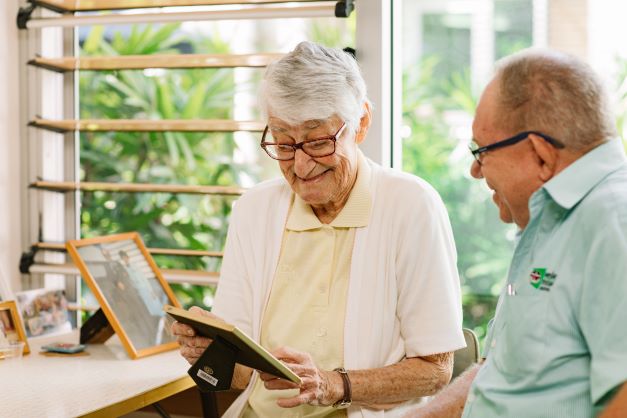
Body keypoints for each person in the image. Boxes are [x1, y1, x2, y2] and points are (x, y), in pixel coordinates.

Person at [171, 41, 466, 417]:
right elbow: (241, 375)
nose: (302, 165)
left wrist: (334, 385)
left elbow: (435, 370)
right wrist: (209, 350)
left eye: (318, 141)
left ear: (361, 123)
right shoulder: (254, 210)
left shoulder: (410, 205)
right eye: (283, 142)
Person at [405, 49, 627, 418]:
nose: (476, 171)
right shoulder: (550, 222)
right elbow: (500, 372)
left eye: (482, 151)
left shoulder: (613, 219)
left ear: (540, 154)